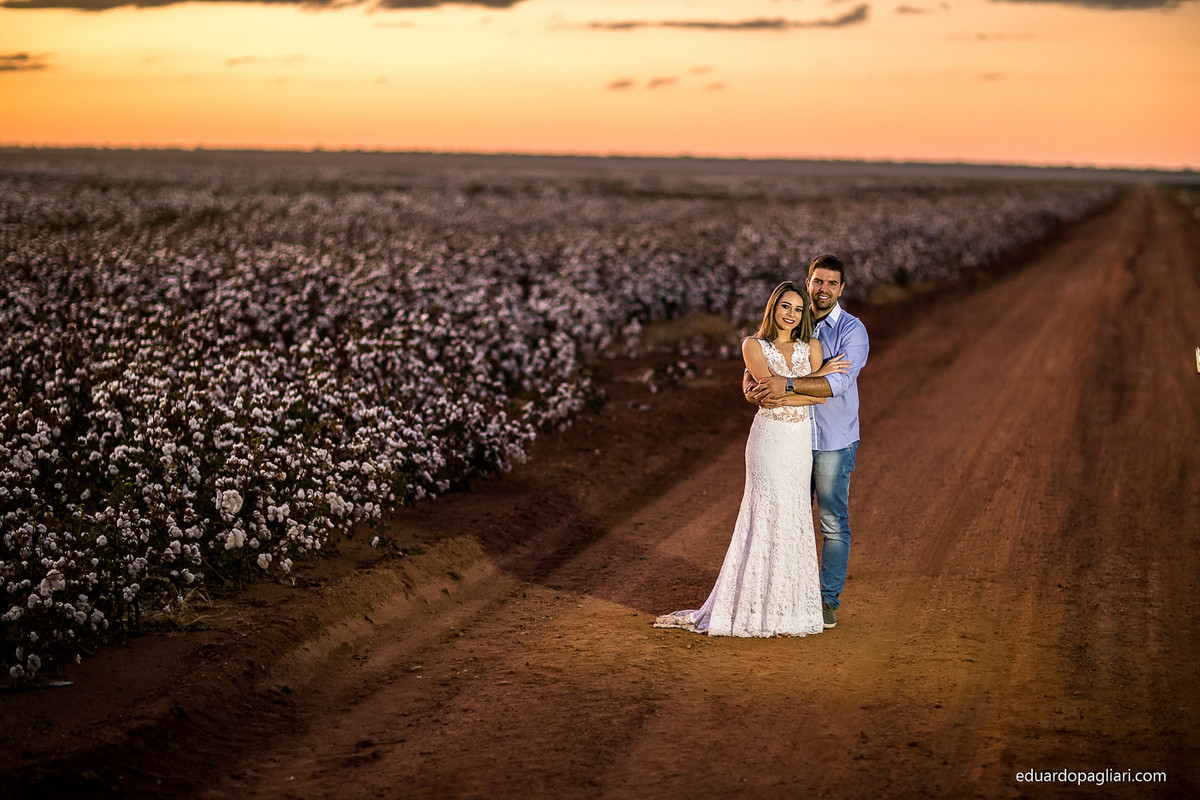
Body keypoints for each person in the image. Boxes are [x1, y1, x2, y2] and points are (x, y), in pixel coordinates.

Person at [654, 281, 850, 637]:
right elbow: (770, 395)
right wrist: (809, 382)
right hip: (770, 442)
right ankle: (750, 608)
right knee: (765, 514)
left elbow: (817, 400)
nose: (791, 314)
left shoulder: (814, 346)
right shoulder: (753, 346)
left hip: (798, 444)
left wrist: (793, 387)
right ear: (773, 308)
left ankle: (788, 610)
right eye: (784, 307)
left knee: (793, 516)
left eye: (797, 309)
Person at [745, 254, 869, 630]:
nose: (823, 289)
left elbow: (836, 385)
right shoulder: (793, 318)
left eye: (832, 283)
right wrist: (755, 390)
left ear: (842, 288)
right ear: (808, 280)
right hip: (789, 440)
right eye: (818, 281)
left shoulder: (852, 331)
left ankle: (827, 600)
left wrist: (786, 385)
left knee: (831, 522)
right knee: (787, 518)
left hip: (833, 440)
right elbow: (756, 375)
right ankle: (783, 594)